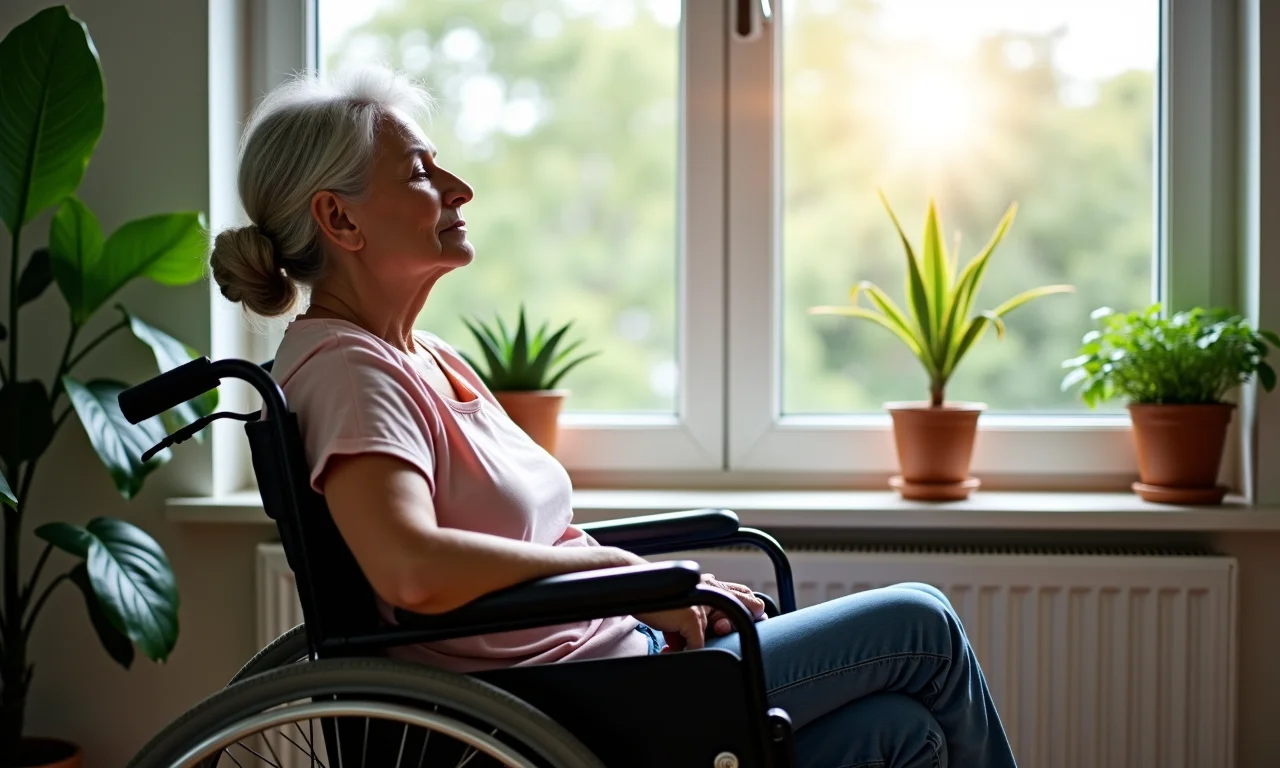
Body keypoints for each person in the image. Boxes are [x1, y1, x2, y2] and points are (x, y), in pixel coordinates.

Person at [208, 66, 1018, 768]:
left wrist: (642, 587)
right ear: (339, 219)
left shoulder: (425, 356)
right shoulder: (350, 370)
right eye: (420, 173)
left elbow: (531, 544)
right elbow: (410, 569)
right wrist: (623, 580)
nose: (460, 189)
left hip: (613, 664)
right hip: (568, 705)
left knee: (905, 735)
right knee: (922, 624)